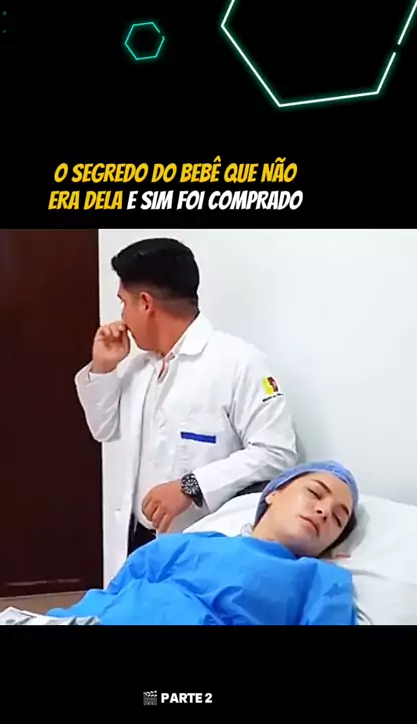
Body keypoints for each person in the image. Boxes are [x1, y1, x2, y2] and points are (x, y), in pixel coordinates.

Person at [75, 237, 298, 580]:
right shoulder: (139, 367)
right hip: (136, 540)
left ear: (145, 303)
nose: (122, 317)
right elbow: (102, 428)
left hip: (200, 546)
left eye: (124, 303)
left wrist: (190, 486)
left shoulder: (239, 363)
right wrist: (103, 368)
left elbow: (277, 453)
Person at [47, 461, 359, 626]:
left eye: (338, 518)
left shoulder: (321, 582)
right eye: (315, 493)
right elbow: (110, 595)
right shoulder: (190, 544)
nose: (324, 511)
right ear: (273, 494)